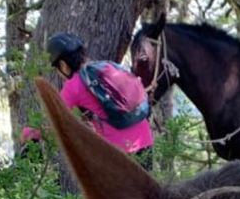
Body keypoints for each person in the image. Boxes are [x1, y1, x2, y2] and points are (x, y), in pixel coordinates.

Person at [24, 32, 154, 166]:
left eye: (56, 68)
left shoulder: (73, 86)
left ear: (63, 65)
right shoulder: (106, 65)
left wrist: (28, 133)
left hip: (118, 152)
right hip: (145, 140)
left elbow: (53, 121)